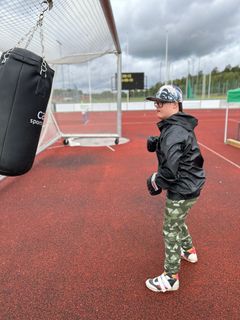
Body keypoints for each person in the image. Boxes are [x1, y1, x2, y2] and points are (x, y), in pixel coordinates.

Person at [145, 84, 206, 293]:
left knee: (170, 229)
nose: (156, 106)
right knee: (178, 219)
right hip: (192, 186)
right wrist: (158, 142)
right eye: (155, 102)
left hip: (182, 188)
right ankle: (189, 250)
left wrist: (154, 181)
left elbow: (170, 173)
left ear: (174, 104)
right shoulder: (178, 126)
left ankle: (171, 278)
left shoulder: (173, 131)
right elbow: (182, 153)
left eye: (160, 102)